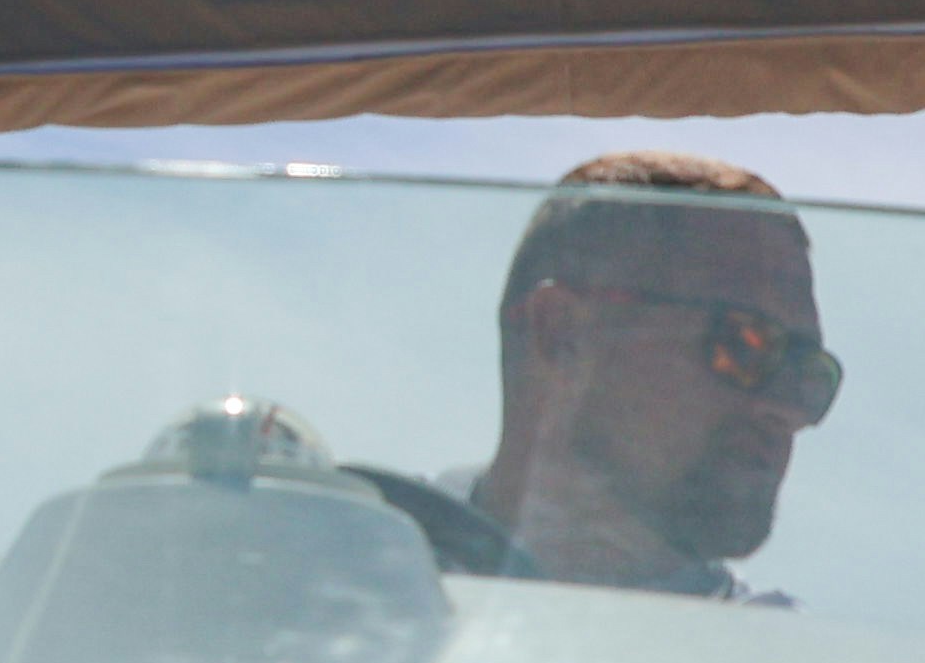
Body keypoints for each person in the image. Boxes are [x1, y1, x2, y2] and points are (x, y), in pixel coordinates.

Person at [341, 152, 838, 599]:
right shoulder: (327, 565)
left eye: (810, 376)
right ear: (563, 334)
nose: (789, 409)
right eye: (747, 345)